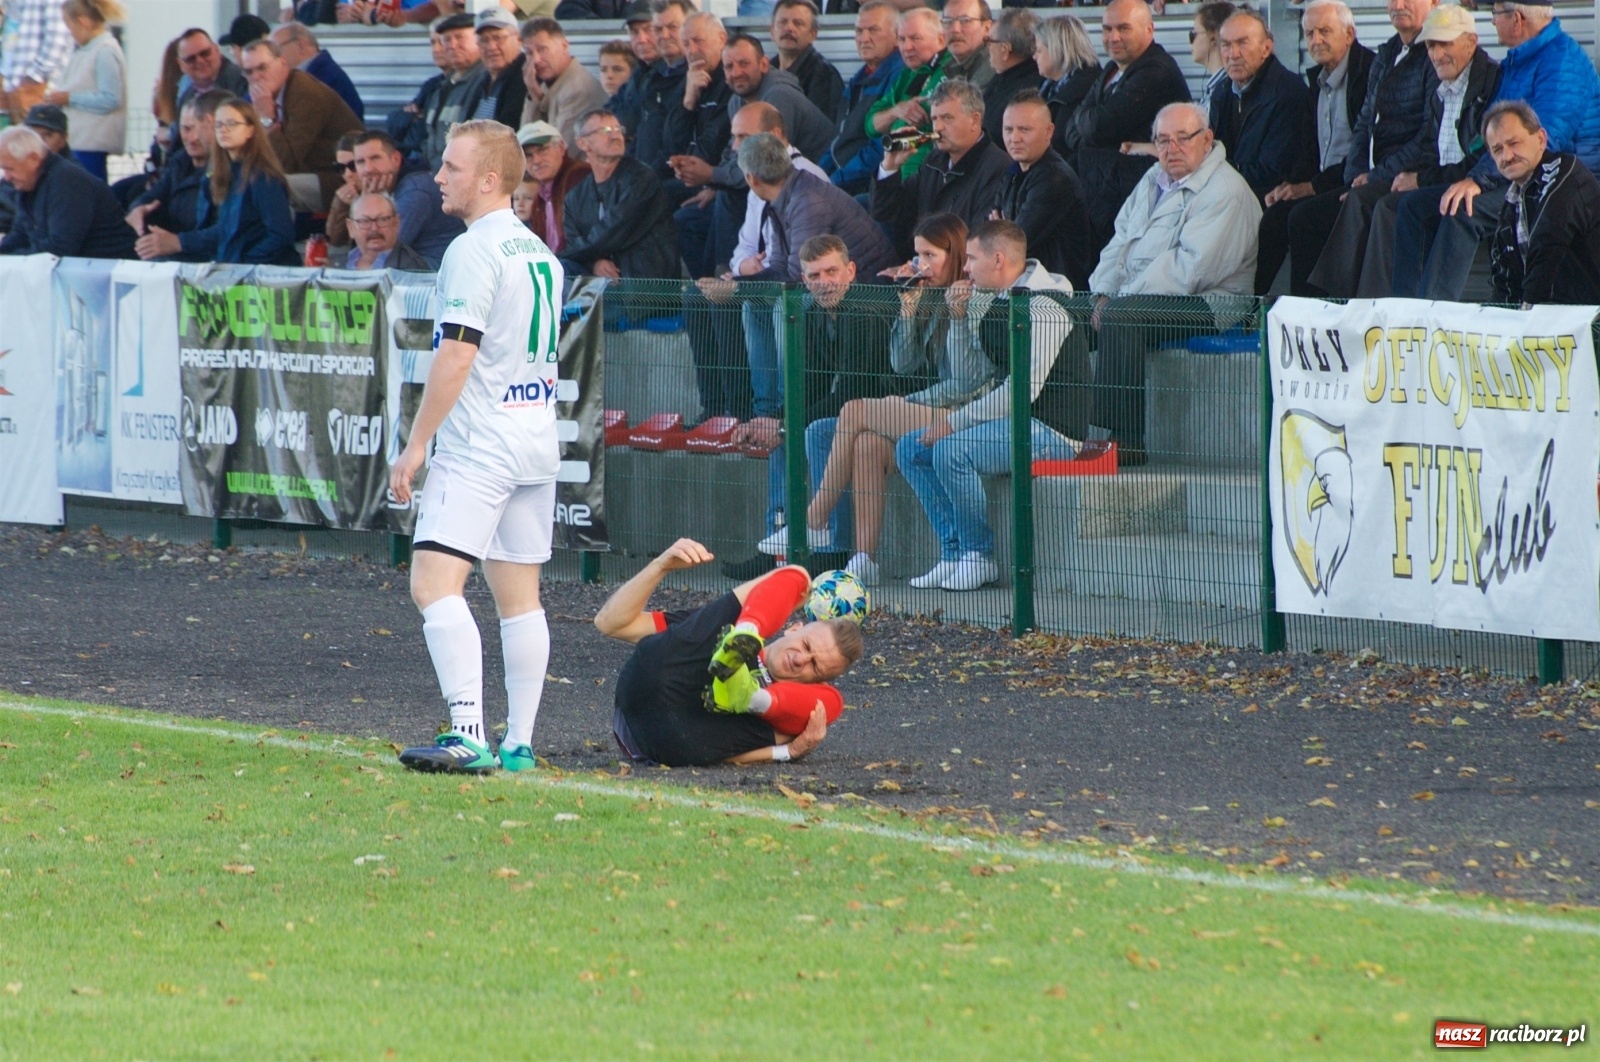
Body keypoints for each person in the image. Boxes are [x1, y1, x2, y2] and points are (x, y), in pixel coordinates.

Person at [391, 119, 565, 775]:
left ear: (489, 180)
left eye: (452, 167)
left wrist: (416, 446)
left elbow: (457, 356)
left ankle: (468, 732)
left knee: (434, 583)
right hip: (533, 440)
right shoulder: (538, 252)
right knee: (519, 597)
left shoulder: (473, 250)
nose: (439, 177)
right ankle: (518, 742)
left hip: (482, 443)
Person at [777, 215, 987, 585]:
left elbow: (966, 382)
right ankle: (863, 560)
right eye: (918, 253)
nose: (920, 263)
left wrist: (908, 399)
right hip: (928, 406)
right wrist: (908, 305)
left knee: (855, 410)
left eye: (930, 254)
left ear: (953, 255)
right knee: (867, 444)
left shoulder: (967, 297)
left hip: (962, 411)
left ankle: (814, 520)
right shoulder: (926, 297)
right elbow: (903, 364)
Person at [896, 219, 1087, 592]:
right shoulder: (997, 301)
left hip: (1052, 429)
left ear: (998, 260)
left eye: (971, 258)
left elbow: (1023, 391)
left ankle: (977, 556)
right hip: (1013, 421)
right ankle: (953, 553)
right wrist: (959, 317)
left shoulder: (1046, 307)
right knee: (910, 448)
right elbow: (970, 378)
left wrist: (956, 423)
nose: (964, 268)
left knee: (951, 449)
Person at [1389, 0, 1600, 301]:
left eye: (1495, 14)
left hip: (1560, 184)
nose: (1491, 22)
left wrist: (1478, 181)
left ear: (1517, 18)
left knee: (1461, 208)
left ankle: (1433, 319)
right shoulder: (1517, 61)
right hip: (1516, 175)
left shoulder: (1563, 61)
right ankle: (1405, 315)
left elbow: (1546, 141)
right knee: (1413, 206)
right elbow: (1492, 137)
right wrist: (1471, 176)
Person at [1089, 103, 1260, 466]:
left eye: (1183, 139)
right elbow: (1119, 240)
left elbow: (1188, 270)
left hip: (1209, 304)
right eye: (1163, 140)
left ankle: (1124, 443)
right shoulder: (1153, 178)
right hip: (1135, 296)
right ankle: (1060, 434)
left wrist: (1119, 300)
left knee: (1121, 318)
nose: (1172, 149)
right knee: (1059, 316)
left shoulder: (1225, 190)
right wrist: (1102, 292)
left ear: (1207, 140)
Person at [595, 539, 859, 768]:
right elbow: (610, 623)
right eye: (806, 646)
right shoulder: (709, 630)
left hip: (678, 742)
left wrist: (789, 752)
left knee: (829, 706)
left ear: (818, 680)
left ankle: (748, 696)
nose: (801, 659)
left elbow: (732, 753)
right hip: (651, 682)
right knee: (798, 577)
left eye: (815, 667)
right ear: (793, 628)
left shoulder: (797, 710)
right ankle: (745, 633)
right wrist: (660, 565)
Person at [1323, 4, 1500, 297]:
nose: (1436, 53)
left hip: (1470, 184)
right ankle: (1348, 306)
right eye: (1431, 45)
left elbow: (1478, 158)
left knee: (1393, 206)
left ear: (1471, 41)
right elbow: (1425, 144)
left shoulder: (1489, 83)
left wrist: (1418, 179)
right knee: (1362, 202)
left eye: (1445, 43)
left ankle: (1388, 310)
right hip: (1439, 178)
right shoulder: (1443, 86)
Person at [1282, 0, 1436, 296]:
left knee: (1351, 207)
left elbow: (1427, 135)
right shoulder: (1388, 51)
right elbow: (1365, 122)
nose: (1399, 5)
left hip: (1406, 176)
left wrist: (1375, 176)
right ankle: (1309, 316)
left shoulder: (1433, 53)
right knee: (1303, 217)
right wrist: (1356, 174)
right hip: (1369, 177)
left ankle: (1343, 310)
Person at [1254, 0, 1371, 294]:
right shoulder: (1316, 81)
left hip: (1355, 182)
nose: (1315, 40)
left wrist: (1311, 187)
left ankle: (1306, 314)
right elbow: (1310, 150)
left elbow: (1365, 151)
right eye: (1309, 33)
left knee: (1304, 218)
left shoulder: (1368, 72)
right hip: (1324, 181)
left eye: (1325, 31)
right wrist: (1290, 184)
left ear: (1349, 34)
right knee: (1274, 214)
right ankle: (1250, 308)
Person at [135, 97, 296, 265]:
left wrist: (245, 261)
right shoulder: (218, 174)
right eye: (218, 125)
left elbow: (281, 233)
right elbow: (224, 230)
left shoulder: (262, 176)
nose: (223, 130)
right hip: (229, 265)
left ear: (250, 130)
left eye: (232, 124)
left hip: (257, 274)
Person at [872, 78, 1009, 260]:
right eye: (935, 118)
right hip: (924, 267)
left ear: (974, 120)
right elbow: (886, 213)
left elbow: (978, 241)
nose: (938, 127)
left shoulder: (998, 167)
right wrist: (890, 167)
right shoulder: (933, 160)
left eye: (947, 118)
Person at [1484, 101, 1600, 307]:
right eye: (1497, 149)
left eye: (1514, 143)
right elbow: (1504, 283)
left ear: (1540, 139)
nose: (1507, 156)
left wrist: (1529, 310)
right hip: (1554, 327)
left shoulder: (1566, 171)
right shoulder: (1510, 205)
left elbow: (1549, 238)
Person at [239, 38, 363, 209]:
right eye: (249, 72)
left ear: (282, 63)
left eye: (262, 67)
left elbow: (286, 164)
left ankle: (278, 236)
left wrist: (266, 118)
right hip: (308, 172)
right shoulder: (261, 98)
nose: (256, 77)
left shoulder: (304, 91)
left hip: (340, 178)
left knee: (271, 187)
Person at [560, 108, 679, 279]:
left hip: (644, 285)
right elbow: (575, 241)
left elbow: (612, 230)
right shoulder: (575, 198)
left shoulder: (642, 179)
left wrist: (559, 256)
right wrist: (593, 263)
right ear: (582, 143)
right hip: (599, 285)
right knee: (564, 269)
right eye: (604, 131)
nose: (615, 136)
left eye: (618, 130)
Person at [1060, 0, 1189, 155]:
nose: (1114, 38)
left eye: (1124, 28)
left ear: (1149, 30)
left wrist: (1089, 135)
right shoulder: (1111, 68)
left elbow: (1101, 128)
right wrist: (1091, 139)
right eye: (1107, 29)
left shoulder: (1156, 71)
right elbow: (1070, 130)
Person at [991, 91, 1091, 290]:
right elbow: (993, 231)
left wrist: (1001, 232)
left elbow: (1014, 244)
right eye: (1008, 129)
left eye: (1025, 130)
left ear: (1049, 131)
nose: (1014, 138)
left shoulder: (1055, 178)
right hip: (1024, 288)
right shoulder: (1013, 170)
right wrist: (999, 233)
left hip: (1057, 297)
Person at [1206, 11, 1308, 201]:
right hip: (1224, 191)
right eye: (1226, 45)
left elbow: (1274, 172)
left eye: (1242, 43)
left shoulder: (1288, 93)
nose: (1233, 54)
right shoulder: (1222, 91)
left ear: (1266, 48)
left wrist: (1216, 172)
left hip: (1262, 199)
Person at [125, 90, 232, 261]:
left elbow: (229, 229)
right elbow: (153, 196)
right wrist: (138, 209)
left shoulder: (232, 169)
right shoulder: (179, 163)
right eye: (186, 129)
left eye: (199, 128)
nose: (193, 137)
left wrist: (178, 242)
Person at [0, 125, 135, 257]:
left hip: (107, 268)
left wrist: (15, 260)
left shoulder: (67, 182)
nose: (6, 177)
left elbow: (59, 248)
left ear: (33, 159)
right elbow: (21, 235)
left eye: (10, 169)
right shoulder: (29, 183)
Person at [349, 129, 465, 268]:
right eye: (361, 162)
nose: (368, 168)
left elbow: (382, 249)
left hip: (437, 272)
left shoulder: (415, 191)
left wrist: (371, 202)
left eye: (375, 158)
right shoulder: (395, 186)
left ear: (396, 159)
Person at [864, 9, 955, 181]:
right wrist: (897, 111)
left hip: (926, 180)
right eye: (901, 39)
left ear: (941, 39)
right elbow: (870, 126)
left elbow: (925, 115)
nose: (906, 47)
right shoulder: (907, 74)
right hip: (894, 177)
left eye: (915, 38)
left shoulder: (950, 69)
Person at [823, 0, 902, 196]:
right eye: (859, 31)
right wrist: (817, 175)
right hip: (843, 183)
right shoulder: (859, 78)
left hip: (870, 189)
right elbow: (838, 140)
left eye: (873, 30)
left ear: (897, 36)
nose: (864, 38)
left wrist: (832, 182)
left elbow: (880, 148)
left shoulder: (901, 74)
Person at [46, 0, 126, 183]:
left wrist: (69, 98)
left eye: (69, 26)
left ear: (82, 22)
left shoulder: (105, 52)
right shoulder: (88, 50)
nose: (70, 33)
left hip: (91, 143)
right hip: (80, 140)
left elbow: (111, 98)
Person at [519, 17, 610, 152]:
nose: (536, 60)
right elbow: (525, 140)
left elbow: (560, 152)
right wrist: (534, 94)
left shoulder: (579, 89)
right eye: (529, 53)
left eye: (543, 49)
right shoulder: (547, 83)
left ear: (564, 45)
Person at [632, 0, 692, 182]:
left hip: (673, 183)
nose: (664, 35)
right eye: (657, 29)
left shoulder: (698, 78)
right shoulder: (650, 76)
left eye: (672, 27)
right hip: (644, 178)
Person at [420, 14, 487, 171]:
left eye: (459, 37)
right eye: (447, 40)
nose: (452, 45)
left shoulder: (484, 81)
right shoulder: (442, 85)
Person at [518, 120, 588, 254]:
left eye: (542, 150)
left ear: (561, 147)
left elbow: (583, 238)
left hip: (580, 264)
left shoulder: (578, 176)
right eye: (528, 155)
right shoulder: (540, 194)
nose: (537, 160)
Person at [269, 22, 364, 120]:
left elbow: (298, 129)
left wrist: (267, 115)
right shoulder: (321, 72)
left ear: (301, 45)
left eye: (276, 50)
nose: (273, 58)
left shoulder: (325, 79)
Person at [1035, 15, 1100, 159]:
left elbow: (1061, 143)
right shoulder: (1047, 86)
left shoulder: (1086, 88)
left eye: (1039, 50)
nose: (1034, 56)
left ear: (1057, 49)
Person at [1, 0, 74, 124]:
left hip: (32, 85)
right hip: (7, 83)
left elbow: (57, 41)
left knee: (31, 138)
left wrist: (33, 80)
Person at [771, 0, 844, 122]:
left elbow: (823, 132)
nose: (789, 28)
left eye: (798, 23)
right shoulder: (764, 71)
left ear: (813, 34)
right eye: (782, 22)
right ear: (771, 31)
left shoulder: (824, 75)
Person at [980, 9, 1039, 147]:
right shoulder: (1005, 77)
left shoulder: (1023, 91)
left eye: (989, 41)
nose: (987, 47)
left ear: (1004, 50)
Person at [610, 0, 660, 143]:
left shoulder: (669, 73)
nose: (641, 39)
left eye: (648, 30)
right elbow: (611, 109)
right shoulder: (639, 71)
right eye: (634, 32)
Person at [344, 191, 432, 270]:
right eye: (365, 221)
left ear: (396, 224)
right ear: (351, 227)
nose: (374, 228)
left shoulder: (412, 268)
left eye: (382, 219)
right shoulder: (341, 263)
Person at [174, 29, 251, 117]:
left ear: (217, 50)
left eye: (205, 53)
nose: (200, 61)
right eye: (191, 59)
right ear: (181, 64)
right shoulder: (186, 97)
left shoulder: (240, 81)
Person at [1189, 1, 1235, 118]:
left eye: (1193, 34)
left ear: (1213, 37)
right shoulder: (1216, 87)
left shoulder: (1228, 91)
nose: (1190, 41)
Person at [940, 0, 995, 90]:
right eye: (948, 21)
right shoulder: (952, 65)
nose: (955, 29)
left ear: (987, 28)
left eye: (965, 21)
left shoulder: (991, 67)